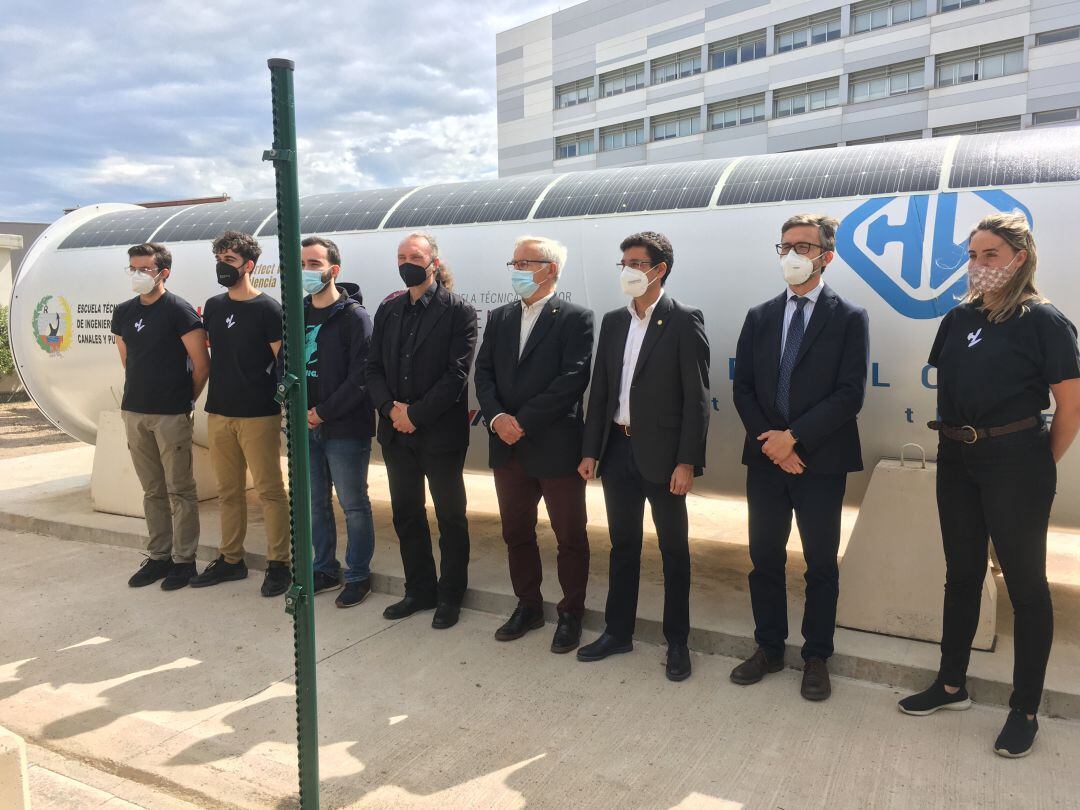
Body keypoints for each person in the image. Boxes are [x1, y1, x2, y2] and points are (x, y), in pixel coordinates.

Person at [899, 212, 1080, 758]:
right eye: (973, 255)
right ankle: (951, 685)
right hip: (957, 457)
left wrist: (1035, 465)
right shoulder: (958, 318)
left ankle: (1024, 709)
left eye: (991, 255)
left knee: (1027, 587)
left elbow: (1069, 407)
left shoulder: (1043, 320)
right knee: (962, 574)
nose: (979, 266)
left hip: (1017, 460)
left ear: (1019, 258)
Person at [731, 213, 869, 701]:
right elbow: (743, 388)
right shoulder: (760, 315)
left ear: (826, 256)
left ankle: (816, 656)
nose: (792, 255)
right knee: (763, 559)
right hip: (767, 460)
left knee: (819, 565)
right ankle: (769, 648)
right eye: (785, 246)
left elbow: (849, 394)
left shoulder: (849, 317)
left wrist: (795, 439)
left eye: (803, 247)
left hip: (820, 462)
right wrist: (773, 442)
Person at [576, 231, 709, 681]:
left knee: (674, 551)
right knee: (623, 546)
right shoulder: (614, 322)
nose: (628, 270)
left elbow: (697, 399)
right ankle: (618, 632)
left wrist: (687, 462)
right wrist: (590, 450)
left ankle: (677, 643)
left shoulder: (683, 320)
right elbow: (601, 393)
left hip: (665, 457)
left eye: (636, 263)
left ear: (659, 270)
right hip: (618, 450)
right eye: (624, 263)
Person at [474, 235, 594, 653]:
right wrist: (498, 418)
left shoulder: (575, 318)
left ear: (551, 270)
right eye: (515, 262)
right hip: (507, 448)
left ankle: (571, 614)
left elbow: (572, 380)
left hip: (554, 446)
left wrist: (522, 421)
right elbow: (483, 373)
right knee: (516, 533)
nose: (518, 269)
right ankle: (528, 606)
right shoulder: (501, 317)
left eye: (527, 263)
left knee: (569, 536)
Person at [366, 232, 478, 630]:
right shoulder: (389, 309)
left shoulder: (458, 311)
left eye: (414, 255)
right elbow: (373, 367)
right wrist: (389, 409)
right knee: (406, 514)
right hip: (396, 434)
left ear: (433, 261)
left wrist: (415, 414)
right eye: (401, 256)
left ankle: (450, 595)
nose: (406, 262)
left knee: (451, 517)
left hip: (439, 435)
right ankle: (419, 590)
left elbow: (456, 375)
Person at [189, 231, 291, 598]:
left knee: (270, 491)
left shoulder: (269, 309)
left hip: (258, 415)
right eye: (218, 258)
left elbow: (283, 362)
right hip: (219, 412)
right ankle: (231, 560)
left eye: (229, 260)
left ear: (248, 265)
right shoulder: (213, 306)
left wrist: (283, 407)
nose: (221, 266)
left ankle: (280, 564)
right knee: (228, 492)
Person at [112, 242, 209, 591]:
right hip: (134, 411)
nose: (137, 275)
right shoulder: (123, 312)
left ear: (163, 272)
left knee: (180, 490)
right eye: (132, 269)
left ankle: (184, 561)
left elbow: (201, 365)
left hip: (171, 414)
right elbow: (128, 360)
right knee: (152, 489)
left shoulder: (179, 311)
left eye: (145, 269)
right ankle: (159, 557)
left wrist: (184, 402)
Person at [301, 236, 377, 608]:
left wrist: (321, 413)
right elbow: (285, 366)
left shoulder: (354, 317)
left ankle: (358, 575)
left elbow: (361, 377)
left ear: (334, 270)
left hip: (344, 429)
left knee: (353, 504)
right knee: (315, 503)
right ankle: (324, 568)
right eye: (302, 263)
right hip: (305, 427)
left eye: (314, 263)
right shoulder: (296, 313)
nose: (307, 271)